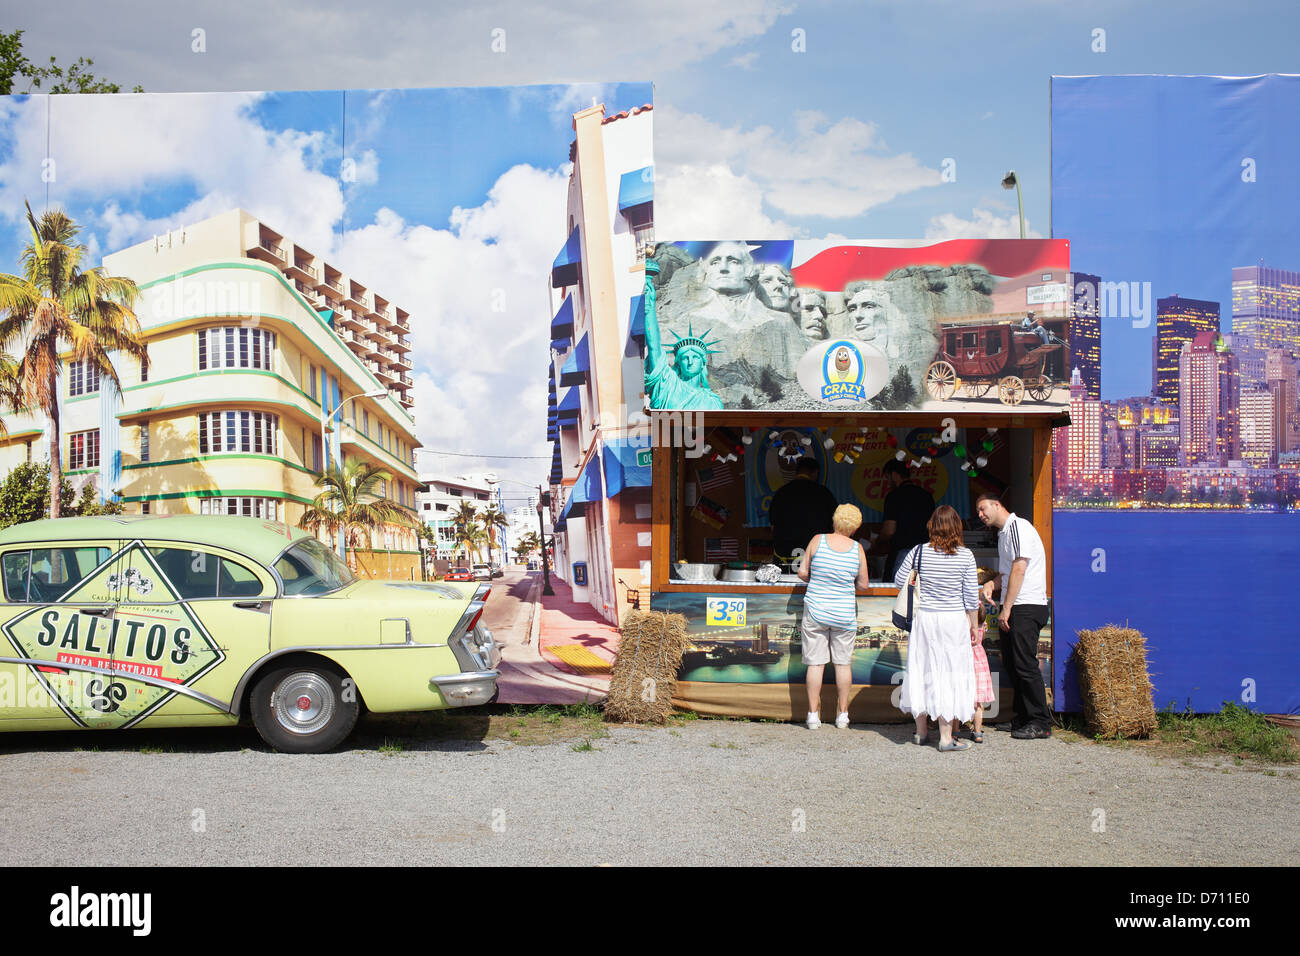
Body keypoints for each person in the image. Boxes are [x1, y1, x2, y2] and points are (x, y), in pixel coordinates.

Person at [892, 505, 981, 751]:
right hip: (953, 620)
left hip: (925, 620)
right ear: (957, 527)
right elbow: (971, 597)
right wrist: (973, 624)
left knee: (922, 671)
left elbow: (900, 580)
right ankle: (945, 737)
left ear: (932, 525)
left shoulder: (918, 551)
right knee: (949, 674)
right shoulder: (965, 556)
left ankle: (921, 733)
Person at [975, 492, 1051, 738]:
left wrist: (1007, 607)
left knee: (1025, 664)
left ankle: (1040, 721)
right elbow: (1008, 573)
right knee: (1013, 662)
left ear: (997, 505)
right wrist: (992, 584)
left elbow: (1020, 568)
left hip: (1027, 605)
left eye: (983, 508)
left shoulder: (1018, 526)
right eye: (978, 511)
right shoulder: (1003, 533)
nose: (980, 514)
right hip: (1016, 604)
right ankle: (1023, 716)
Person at [797, 504, 869, 730]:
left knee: (816, 665)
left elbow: (802, 572)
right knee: (842, 664)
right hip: (844, 614)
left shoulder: (817, 540)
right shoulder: (857, 549)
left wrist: (818, 579)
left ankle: (812, 716)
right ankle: (843, 716)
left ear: (834, 519)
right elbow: (864, 584)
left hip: (816, 611)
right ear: (855, 526)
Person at [868, 458, 935, 580]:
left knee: (897, 594)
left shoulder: (894, 496)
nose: (887, 482)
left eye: (887, 478)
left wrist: (876, 541)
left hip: (902, 555)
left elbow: (889, 530)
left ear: (894, 475)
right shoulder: (926, 496)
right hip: (926, 555)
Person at [768, 458, 839, 562]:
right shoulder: (824, 494)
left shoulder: (781, 493)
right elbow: (835, 525)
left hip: (785, 556)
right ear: (815, 473)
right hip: (816, 556)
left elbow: (773, 527)